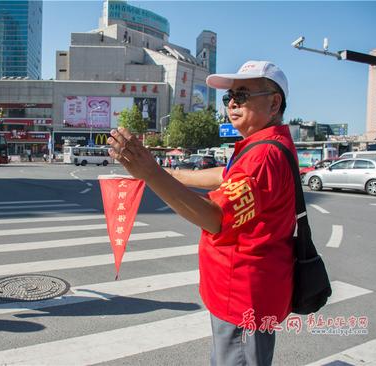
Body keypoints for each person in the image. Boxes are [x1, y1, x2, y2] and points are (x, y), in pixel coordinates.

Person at [107, 60, 296, 366]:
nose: (232, 103)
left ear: (274, 103)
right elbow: (228, 175)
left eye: (243, 95)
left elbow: (215, 217)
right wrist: (175, 175)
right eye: (229, 97)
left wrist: (152, 173)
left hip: (242, 298)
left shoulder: (263, 156)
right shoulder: (263, 144)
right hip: (244, 292)